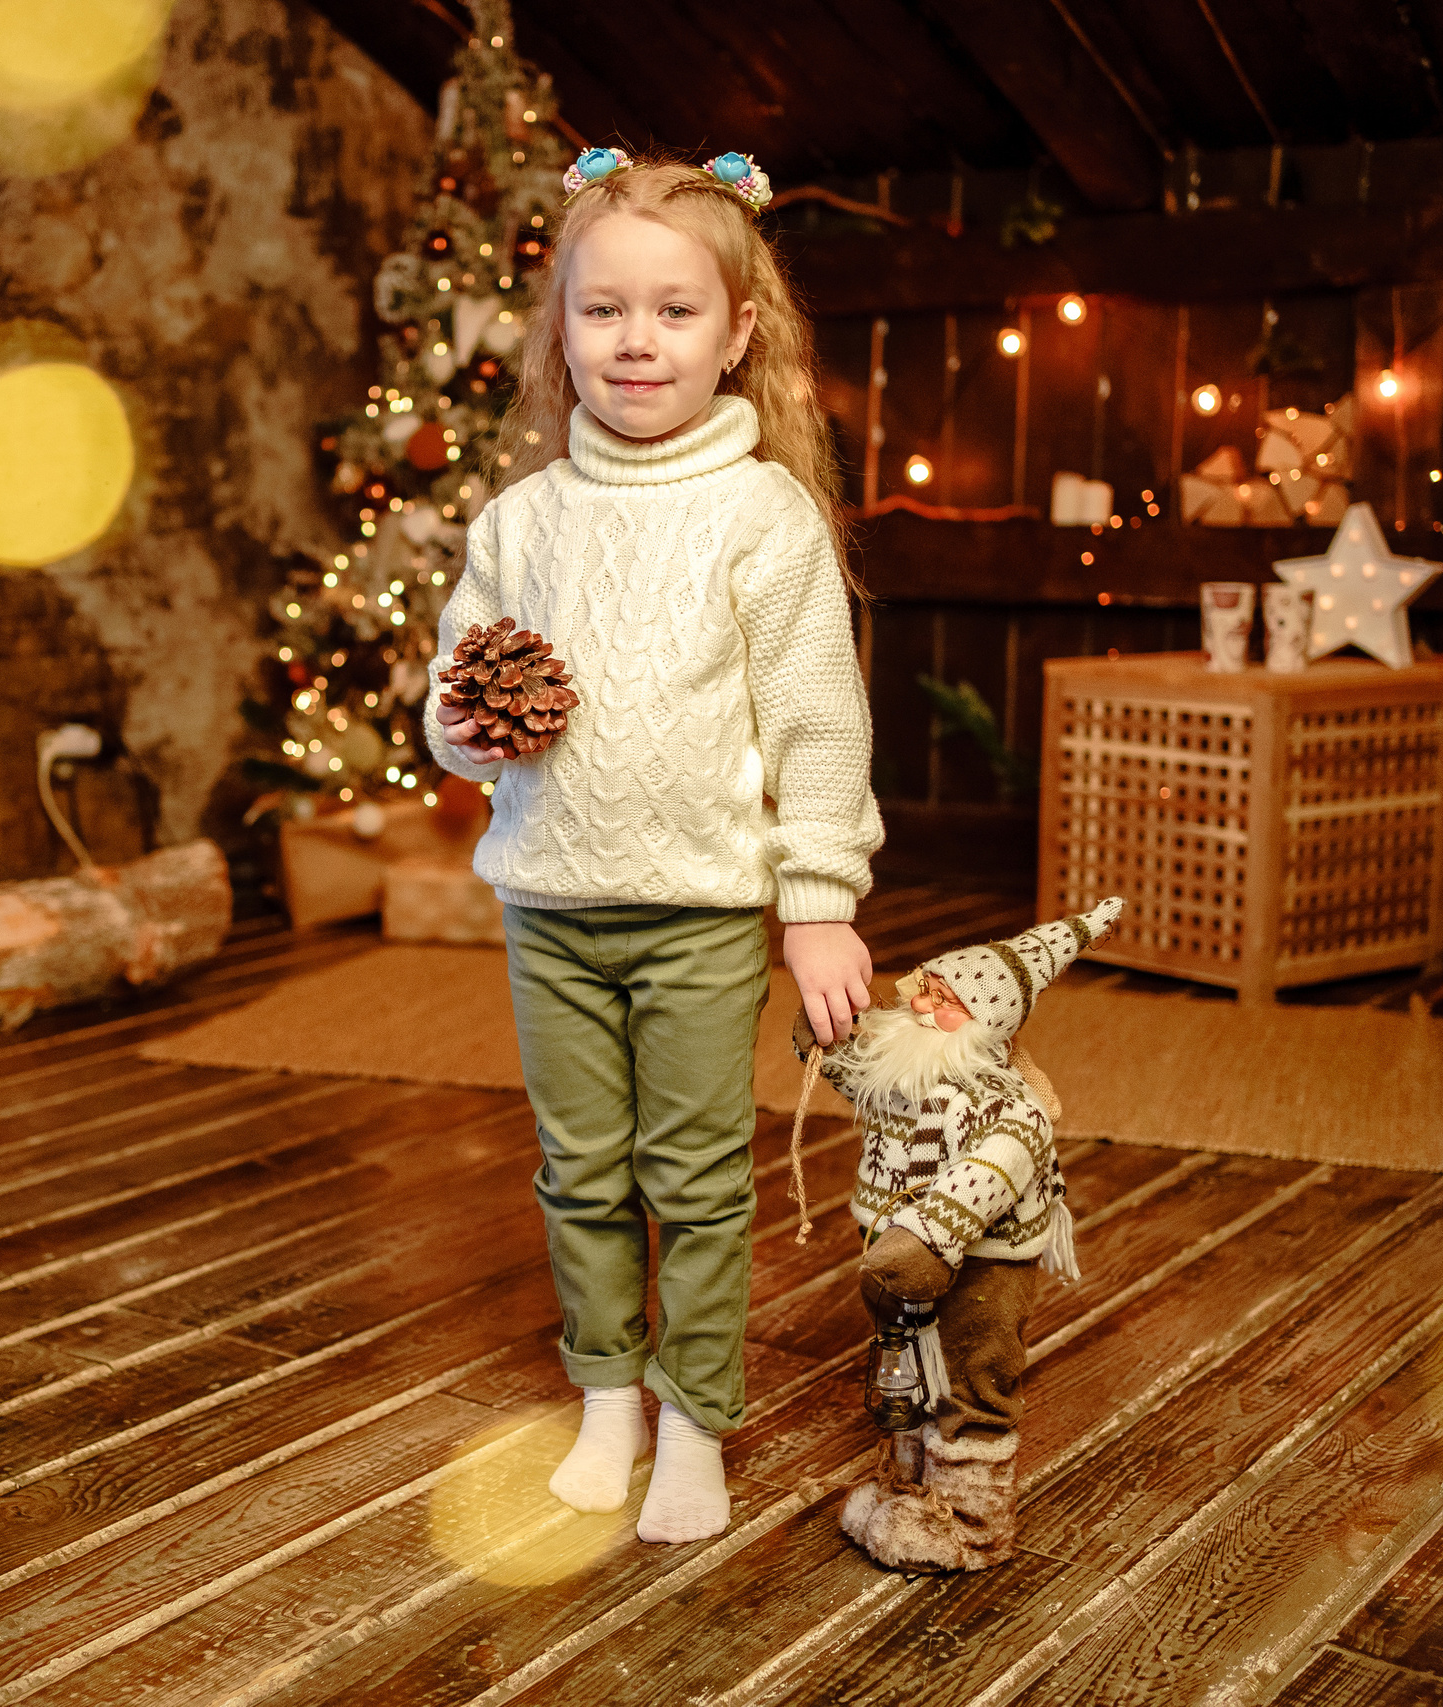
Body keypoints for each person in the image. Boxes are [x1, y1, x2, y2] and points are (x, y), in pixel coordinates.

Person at [426, 146, 881, 1544]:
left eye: (676, 311)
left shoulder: (763, 517)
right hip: (550, 904)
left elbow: (816, 723)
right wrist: (468, 732)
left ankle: (694, 1414)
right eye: (603, 308)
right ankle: (606, 1393)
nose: (637, 340)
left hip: (694, 910)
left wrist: (817, 903)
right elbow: (455, 691)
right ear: (560, 326)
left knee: (691, 1172)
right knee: (580, 1164)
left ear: (740, 332)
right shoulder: (522, 520)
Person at [801, 900, 1120, 1570]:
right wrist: (827, 1038)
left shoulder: (1009, 1107)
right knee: (914, 1373)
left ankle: (972, 1522)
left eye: (946, 1004)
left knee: (973, 1375)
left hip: (981, 1264)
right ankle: (910, 1489)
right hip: (901, 1259)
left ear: (986, 1025)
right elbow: (859, 1075)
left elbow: (985, 1172)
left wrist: (927, 1234)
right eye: (927, 991)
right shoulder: (910, 1072)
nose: (922, 1009)